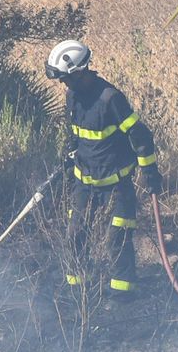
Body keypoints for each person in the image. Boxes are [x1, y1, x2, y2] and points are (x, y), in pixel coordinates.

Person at [46, 39, 162, 304]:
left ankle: (122, 296)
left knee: (116, 238)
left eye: (66, 78)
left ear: (80, 72)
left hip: (117, 184)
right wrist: (69, 156)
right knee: (75, 234)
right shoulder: (72, 97)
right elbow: (76, 135)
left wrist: (150, 172)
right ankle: (79, 293)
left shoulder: (110, 99)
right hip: (84, 182)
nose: (63, 84)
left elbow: (140, 136)